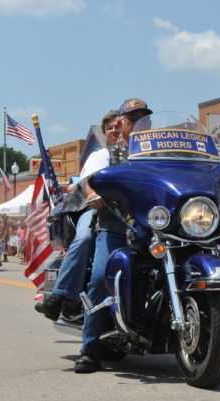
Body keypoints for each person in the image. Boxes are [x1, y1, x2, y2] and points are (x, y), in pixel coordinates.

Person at [75, 98, 152, 373]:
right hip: (116, 227)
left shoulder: (160, 154)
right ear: (122, 123)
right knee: (100, 279)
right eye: (133, 119)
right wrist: (91, 193)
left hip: (155, 231)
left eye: (144, 118)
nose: (139, 123)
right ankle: (89, 350)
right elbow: (87, 179)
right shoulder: (109, 153)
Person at [36, 110, 121, 320]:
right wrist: (92, 193)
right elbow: (85, 183)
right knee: (84, 238)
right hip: (97, 209)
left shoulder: (140, 155)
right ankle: (59, 297)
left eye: (118, 126)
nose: (114, 130)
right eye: (110, 128)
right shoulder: (100, 156)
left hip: (131, 212)